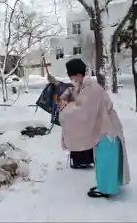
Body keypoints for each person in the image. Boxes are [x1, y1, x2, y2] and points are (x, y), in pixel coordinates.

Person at [49, 58, 130, 198]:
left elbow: (82, 111)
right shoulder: (84, 85)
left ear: (78, 74)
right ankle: (110, 184)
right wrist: (60, 89)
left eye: (71, 76)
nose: (71, 79)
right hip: (103, 126)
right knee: (105, 157)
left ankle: (106, 189)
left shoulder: (91, 87)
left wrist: (65, 107)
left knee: (106, 158)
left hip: (106, 128)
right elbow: (75, 94)